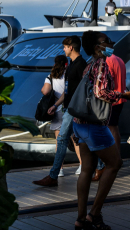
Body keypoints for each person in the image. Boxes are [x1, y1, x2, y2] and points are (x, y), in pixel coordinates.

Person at [71, 31, 130, 230]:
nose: (110, 43)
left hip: (79, 122)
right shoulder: (100, 63)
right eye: (105, 41)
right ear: (96, 46)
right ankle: (95, 214)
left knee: (86, 170)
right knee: (115, 163)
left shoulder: (89, 64)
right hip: (93, 124)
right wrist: (123, 94)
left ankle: (81, 219)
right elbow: (101, 92)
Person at [33, 35, 87, 186]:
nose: (63, 50)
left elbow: (83, 89)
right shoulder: (72, 64)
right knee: (77, 139)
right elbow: (67, 91)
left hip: (75, 110)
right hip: (69, 108)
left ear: (71, 47)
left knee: (66, 139)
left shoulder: (81, 65)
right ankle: (54, 175)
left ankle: (53, 175)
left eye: (64, 47)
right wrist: (56, 105)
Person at [92, 37, 128, 181]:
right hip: (121, 98)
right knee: (114, 128)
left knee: (107, 131)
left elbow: (106, 82)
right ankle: (116, 157)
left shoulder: (107, 61)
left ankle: (110, 161)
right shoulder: (119, 60)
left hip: (111, 100)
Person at [41, 55, 69, 177]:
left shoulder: (50, 76)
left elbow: (45, 91)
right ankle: (82, 165)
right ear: (66, 64)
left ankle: (60, 168)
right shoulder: (68, 75)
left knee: (59, 140)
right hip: (68, 107)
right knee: (75, 138)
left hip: (56, 109)